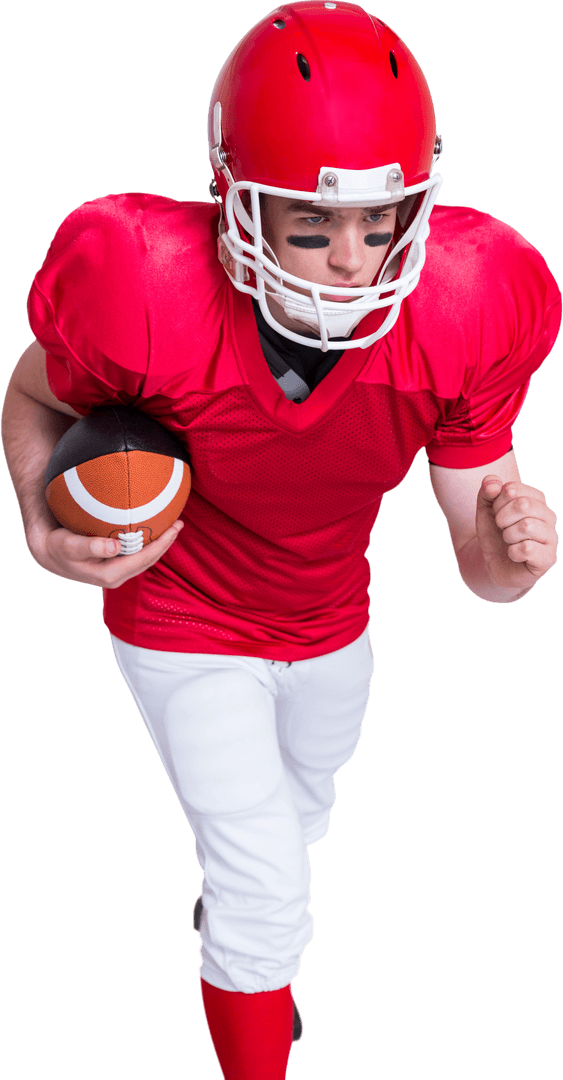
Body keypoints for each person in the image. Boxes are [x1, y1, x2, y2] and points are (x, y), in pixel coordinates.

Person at [2, 3, 560, 1078]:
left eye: (379, 220)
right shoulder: (138, 284)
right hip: (182, 611)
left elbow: (474, 566)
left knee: (298, 818)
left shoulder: (468, 297)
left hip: (328, 618)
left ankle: (236, 917)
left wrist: (508, 552)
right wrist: (38, 518)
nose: (351, 261)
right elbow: (31, 391)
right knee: (267, 885)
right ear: (235, 202)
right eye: (310, 225)